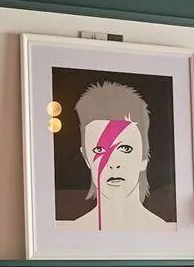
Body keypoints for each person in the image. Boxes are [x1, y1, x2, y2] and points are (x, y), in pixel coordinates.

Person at [64, 80, 167, 231]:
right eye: (99, 150)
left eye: (125, 148)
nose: (113, 163)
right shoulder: (73, 232)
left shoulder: (164, 232)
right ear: (86, 158)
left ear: (144, 157)